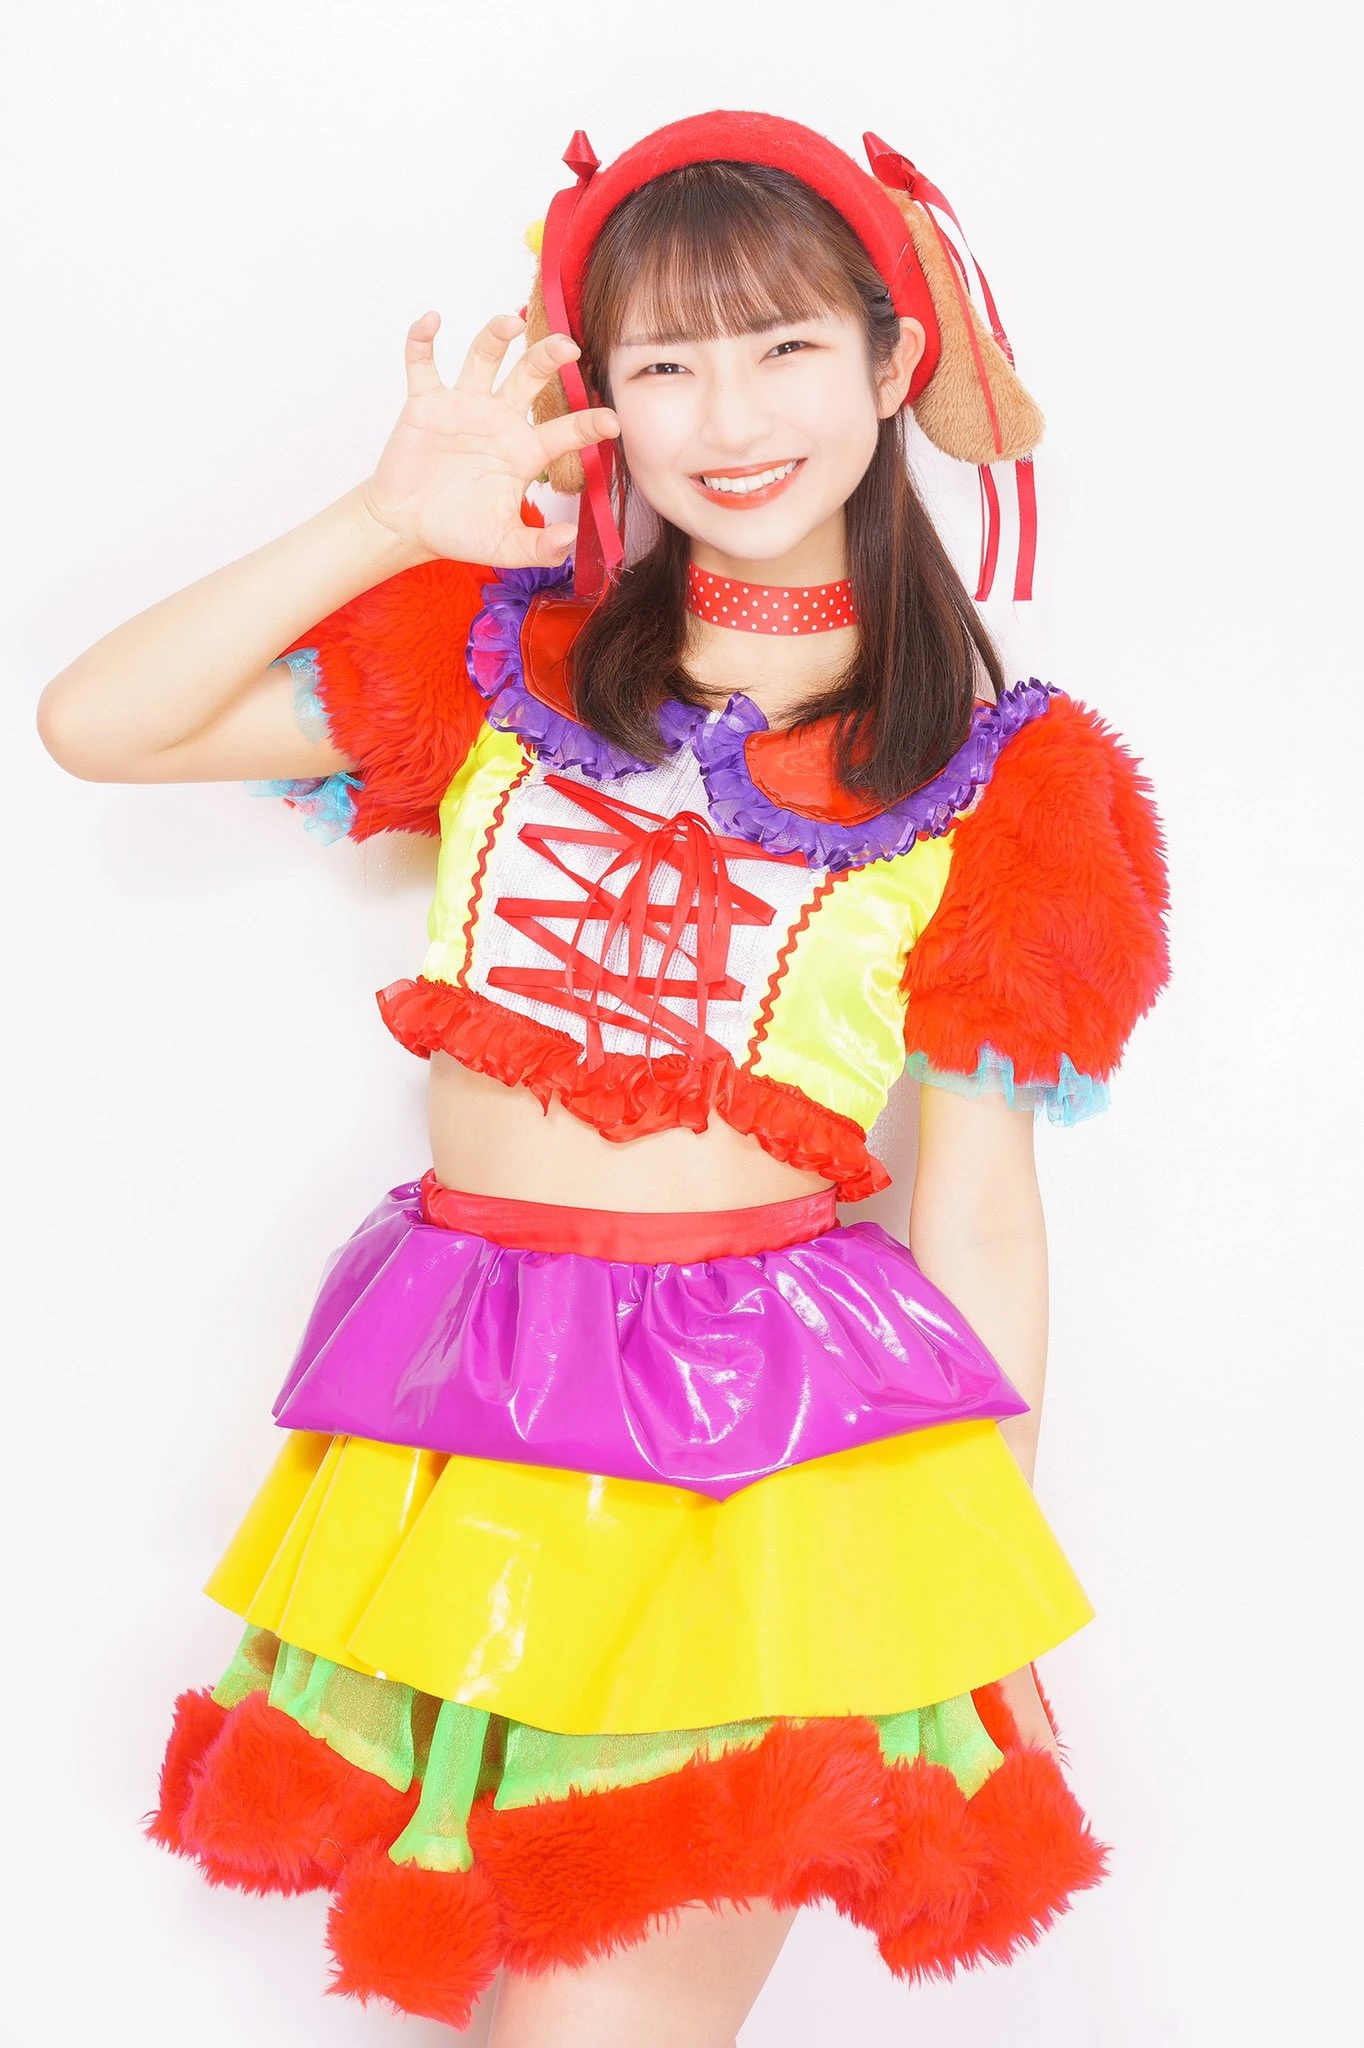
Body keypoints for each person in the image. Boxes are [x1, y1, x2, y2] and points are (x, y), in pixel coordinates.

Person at [37, 111, 1169, 2048]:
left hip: (764, 1467)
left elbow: (981, 1211)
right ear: (602, 399)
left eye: (786, 344)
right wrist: (384, 521)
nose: (730, 414)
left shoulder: (1004, 782)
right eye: (666, 362)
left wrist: (973, 1604)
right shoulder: (500, 664)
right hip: (458, 1422)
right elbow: (96, 725)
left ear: (892, 358)